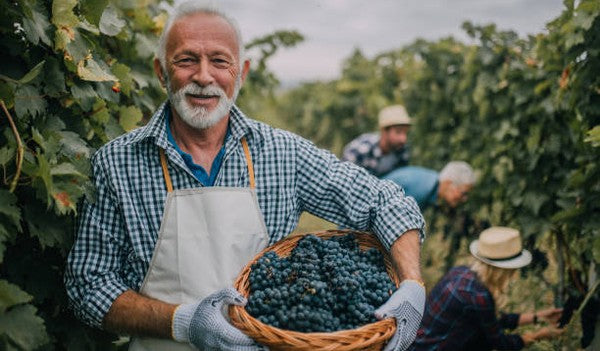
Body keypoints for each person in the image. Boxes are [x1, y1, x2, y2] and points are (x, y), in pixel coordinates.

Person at [64, 2, 427, 351]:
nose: (204, 76)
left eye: (219, 61)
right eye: (187, 60)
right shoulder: (117, 163)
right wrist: (184, 322)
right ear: (161, 72)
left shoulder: (284, 153)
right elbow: (89, 286)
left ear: (242, 72)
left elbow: (386, 201)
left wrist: (412, 284)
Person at [410, 226, 564, 350]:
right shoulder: (478, 296)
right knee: (481, 340)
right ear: (503, 271)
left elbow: (491, 319)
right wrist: (538, 335)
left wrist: (538, 317)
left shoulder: (461, 272)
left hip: (417, 345)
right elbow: (500, 343)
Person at [342, 104, 411, 177]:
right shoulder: (361, 150)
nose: (403, 139)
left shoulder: (402, 150)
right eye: (398, 132)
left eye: (405, 133)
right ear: (384, 131)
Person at [382, 161, 475, 211]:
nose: (464, 199)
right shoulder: (421, 190)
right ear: (448, 183)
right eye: (463, 193)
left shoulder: (430, 184)